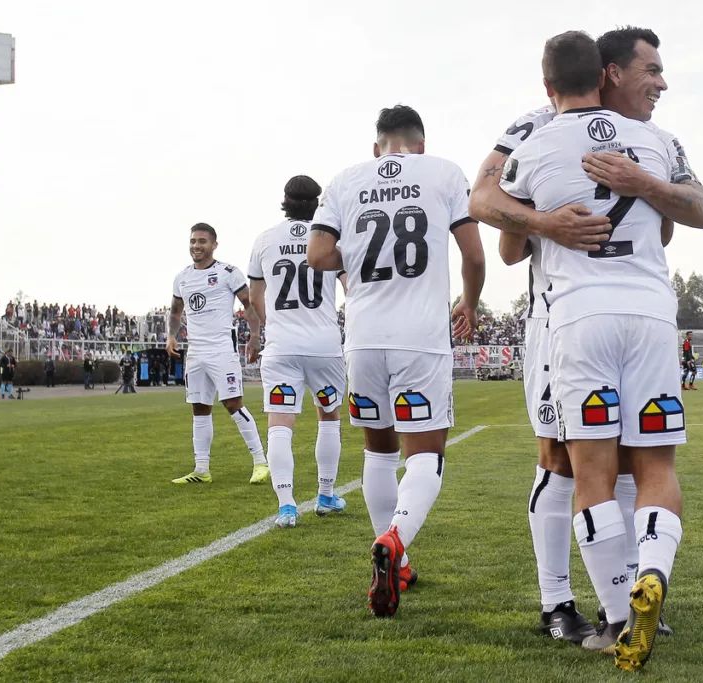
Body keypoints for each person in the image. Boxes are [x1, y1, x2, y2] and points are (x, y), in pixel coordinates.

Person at [473, 25, 703, 648]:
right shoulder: (529, 128)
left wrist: (642, 189)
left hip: (592, 313)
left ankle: (623, 604)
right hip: (558, 319)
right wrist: (546, 220)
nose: (659, 83)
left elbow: (676, 224)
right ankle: (559, 601)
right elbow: (501, 227)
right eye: (650, 71)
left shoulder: (649, 141)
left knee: (618, 464)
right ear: (607, 73)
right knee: (561, 460)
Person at [308, 104, 485, 618]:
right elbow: (473, 255)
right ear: (420, 144)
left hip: (362, 337)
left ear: (377, 146)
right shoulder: (443, 171)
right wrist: (469, 303)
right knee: (426, 455)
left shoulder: (345, 180)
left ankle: (393, 563)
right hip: (420, 336)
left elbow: (319, 256)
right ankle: (395, 542)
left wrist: (361, 252)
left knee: (378, 453)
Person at [247, 175, 350, 529]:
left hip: (281, 346)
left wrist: (271, 324)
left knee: (280, 424)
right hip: (323, 345)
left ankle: (287, 505)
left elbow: (256, 298)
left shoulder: (264, 240)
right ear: (317, 203)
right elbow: (351, 287)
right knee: (329, 416)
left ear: (285, 201)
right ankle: (325, 495)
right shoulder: (327, 239)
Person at [167, 223, 269, 485]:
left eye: (202, 241)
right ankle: (202, 469)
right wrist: (171, 335)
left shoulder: (228, 273)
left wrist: (255, 336)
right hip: (196, 352)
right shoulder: (182, 278)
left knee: (233, 404)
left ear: (214, 244)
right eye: (192, 241)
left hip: (221, 348)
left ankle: (261, 462)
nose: (196, 246)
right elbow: (176, 312)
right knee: (199, 408)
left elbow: (249, 305)